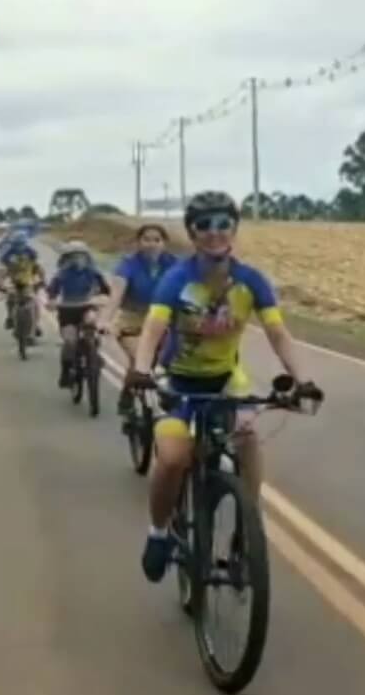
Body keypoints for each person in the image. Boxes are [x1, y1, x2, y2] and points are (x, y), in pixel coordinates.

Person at [124, 192, 320, 584]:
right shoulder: (177, 279)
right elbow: (153, 329)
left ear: (234, 229)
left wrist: (303, 381)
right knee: (173, 458)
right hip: (178, 380)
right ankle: (159, 532)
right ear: (192, 233)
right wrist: (141, 369)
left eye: (223, 224)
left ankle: (248, 525)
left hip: (227, 379)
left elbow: (278, 334)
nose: (215, 232)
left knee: (246, 437)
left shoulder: (251, 281)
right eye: (204, 225)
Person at [101, 223, 179, 420]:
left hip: (165, 321)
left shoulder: (174, 264)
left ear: (164, 243)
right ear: (138, 242)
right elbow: (116, 295)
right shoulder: (128, 264)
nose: (151, 244)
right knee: (142, 359)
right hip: (132, 322)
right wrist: (105, 320)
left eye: (157, 240)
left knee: (176, 363)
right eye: (146, 239)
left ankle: (166, 398)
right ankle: (130, 398)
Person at [44, 240, 112, 390]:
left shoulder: (93, 273)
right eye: (73, 256)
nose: (78, 259)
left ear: (87, 256)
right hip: (67, 310)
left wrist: (103, 299)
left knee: (91, 323)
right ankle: (65, 371)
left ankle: (94, 353)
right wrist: (52, 301)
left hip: (87, 306)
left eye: (81, 255)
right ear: (67, 258)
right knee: (70, 342)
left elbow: (106, 290)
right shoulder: (61, 274)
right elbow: (52, 291)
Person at [0, 230, 45, 335]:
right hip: (13, 281)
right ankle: (10, 317)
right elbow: (1, 270)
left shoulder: (31, 253)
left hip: (28, 281)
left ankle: (36, 324)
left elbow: (39, 268)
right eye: (17, 244)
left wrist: (42, 281)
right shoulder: (7, 254)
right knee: (10, 298)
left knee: (35, 302)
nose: (19, 247)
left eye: (21, 244)